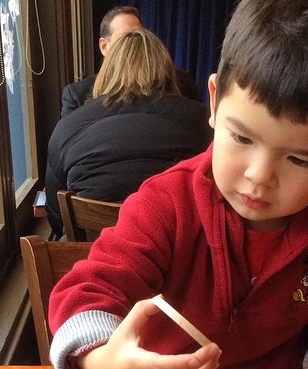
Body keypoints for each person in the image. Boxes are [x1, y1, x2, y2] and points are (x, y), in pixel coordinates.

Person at [48, 0, 308, 369]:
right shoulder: (166, 203)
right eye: (241, 137)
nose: (259, 177)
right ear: (215, 100)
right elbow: (92, 286)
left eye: (299, 159)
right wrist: (100, 357)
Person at [45, 29, 212, 237]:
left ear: (107, 71)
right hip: (179, 258)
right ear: (167, 70)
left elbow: (54, 212)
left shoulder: (67, 128)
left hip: (92, 258)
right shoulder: (204, 122)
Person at [60, 6, 202, 118]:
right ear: (104, 46)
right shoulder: (77, 95)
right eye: (126, 38)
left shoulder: (181, 81)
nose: (135, 43)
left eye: (139, 36)